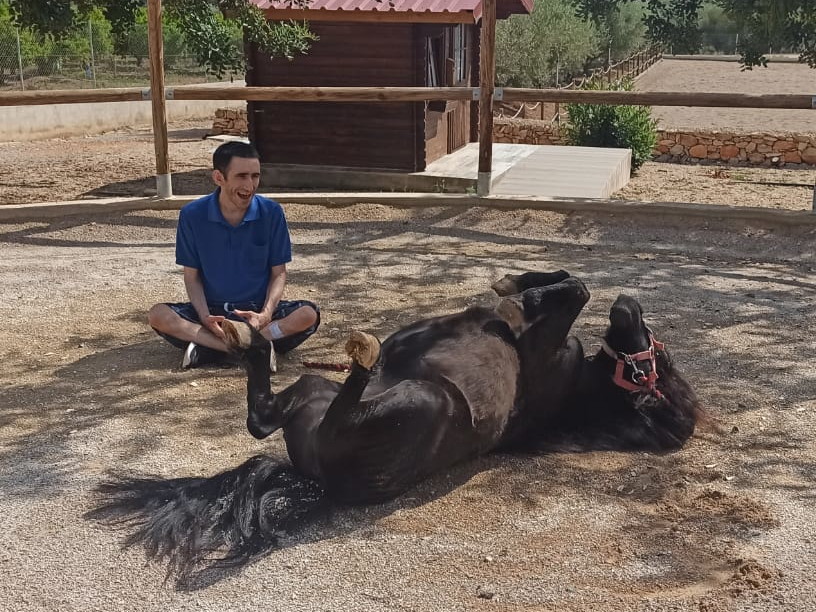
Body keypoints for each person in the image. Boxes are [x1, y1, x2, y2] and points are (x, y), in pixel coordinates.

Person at [148, 141, 319, 370]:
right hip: (212, 313)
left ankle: (212, 347)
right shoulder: (192, 215)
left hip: (257, 313)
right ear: (219, 177)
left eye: (255, 176)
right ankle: (250, 347)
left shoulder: (272, 213)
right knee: (158, 315)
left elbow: (279, 273)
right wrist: (204, 316)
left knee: (308, 314)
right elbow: (192, 277)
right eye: (241, 176)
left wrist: (266, 314)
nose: (250, 185)